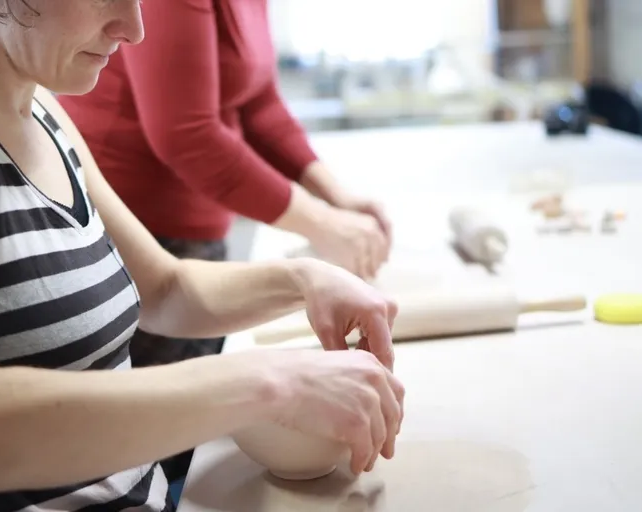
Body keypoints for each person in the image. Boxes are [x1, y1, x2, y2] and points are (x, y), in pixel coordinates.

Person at [0, 1, 405, 511]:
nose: (134, 29)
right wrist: (270, 382)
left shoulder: (46, 113)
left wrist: (304, 280)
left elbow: (165, 291)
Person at [56, 1, 394, 484]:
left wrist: (335, 203)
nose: (130, 28)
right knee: (151, 459)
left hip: (189, 244)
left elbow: (259, 102)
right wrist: (321, 225)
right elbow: (186, 134)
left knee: (175, 451)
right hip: (137, 227)